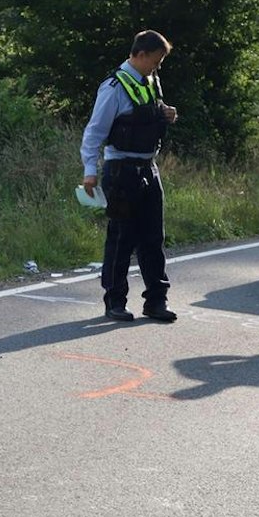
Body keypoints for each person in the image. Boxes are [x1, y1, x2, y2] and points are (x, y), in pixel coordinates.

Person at [80, 30, 180, 322]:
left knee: (153, 238)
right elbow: (94, 132)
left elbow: (151, 113)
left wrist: (168, 113)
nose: (157, 67)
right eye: (155, 61)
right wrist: (90, 172)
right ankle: (114, 301)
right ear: (139, 55)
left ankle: (156, 301)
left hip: (149, 168)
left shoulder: (150, 81)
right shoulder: (113, 87)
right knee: (122, 238)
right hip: (121, 171)